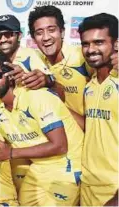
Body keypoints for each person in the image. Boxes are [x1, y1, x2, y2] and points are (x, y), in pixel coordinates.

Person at [0, 52, 84, 206]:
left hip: (66, 169)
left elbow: (60, 146)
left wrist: (10, 153)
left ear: (10, 76)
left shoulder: (37, 97)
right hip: (38, 169)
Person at [28, 5, 92, 127]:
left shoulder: (81, 56)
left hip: (88, 136)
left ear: (62, 32)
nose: (46, 37)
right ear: (33, 38)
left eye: (51, 30)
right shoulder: (34, 61)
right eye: (39, 33)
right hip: (55, 138)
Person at [78, 13, 118, 206]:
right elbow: (91, 126)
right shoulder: (90, 86)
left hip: (113, 190)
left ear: (116, 44)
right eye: (85, 44)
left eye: (99, 42)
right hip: (87, 187)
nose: (91, 50)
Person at [0, 14, 55, 90]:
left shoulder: (31, 55)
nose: (3, 40)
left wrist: (45, 79)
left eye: (8, 34)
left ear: (19, 36)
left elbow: (54, 85)